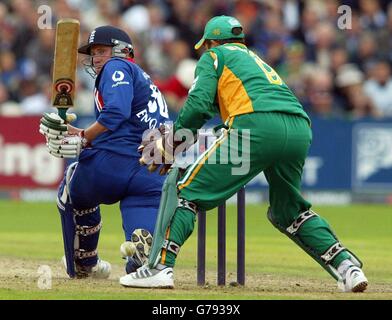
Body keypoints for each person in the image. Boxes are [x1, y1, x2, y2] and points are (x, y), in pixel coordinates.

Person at [119, 16, 368, 292]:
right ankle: (348, 268)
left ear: (212, 42)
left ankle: (158, 268)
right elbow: (217, 105)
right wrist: (179, 141)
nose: (205, 50)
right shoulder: (254, 60)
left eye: (206, 46)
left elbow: (199, 105)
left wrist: (173, 142)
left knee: (184, 192)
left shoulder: (214, 56)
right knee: (288, 211)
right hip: (299, 127)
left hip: (254, 127)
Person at [39, 25, 169, 278]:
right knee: (141, 244)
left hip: (114, 164)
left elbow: (116, 112)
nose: (95, 58)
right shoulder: (146, 80)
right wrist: (75, 132)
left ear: (122, 51)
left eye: (101, 50)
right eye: (93, 53)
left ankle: (85, 263)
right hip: (153, 171)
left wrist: (85, 137)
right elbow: (127, 123)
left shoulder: (116, 67)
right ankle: (139, 260)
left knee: (72, 184)